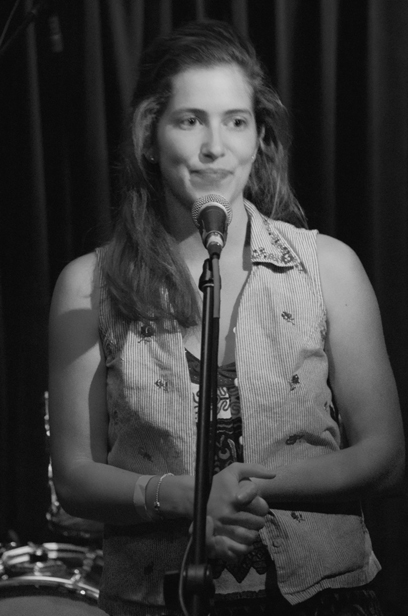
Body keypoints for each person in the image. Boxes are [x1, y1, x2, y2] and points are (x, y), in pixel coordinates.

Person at [48, 20, 405, 616]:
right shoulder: (90, 284)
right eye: (190, 120)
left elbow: (386, 456)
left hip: (323, 598)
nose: (215, 145)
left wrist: (240, 492)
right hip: (157, 599)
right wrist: (186, 500)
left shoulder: (328, 267)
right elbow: (75, 477)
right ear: (150, 136)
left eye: (235, 121)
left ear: (259, 136)